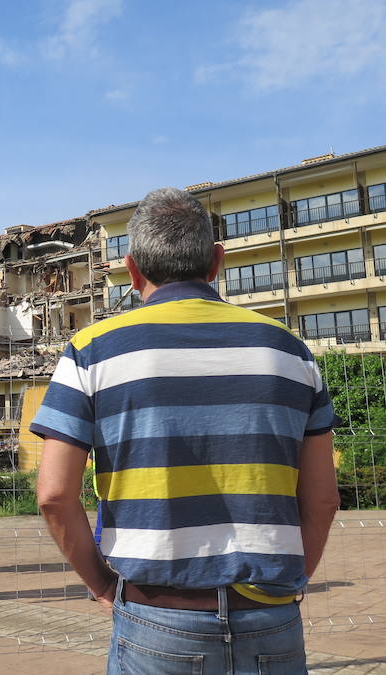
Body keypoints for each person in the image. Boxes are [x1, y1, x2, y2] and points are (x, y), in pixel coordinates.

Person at [32, 187, 340, 673]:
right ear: (217, 261)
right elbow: (322, 500)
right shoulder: (290, 352)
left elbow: (53, 495)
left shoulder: (91, 351)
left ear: (132, 271)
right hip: (271, 619)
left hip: (157, 616)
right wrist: (291, 580)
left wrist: (103, 587)